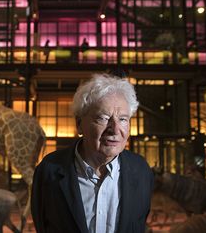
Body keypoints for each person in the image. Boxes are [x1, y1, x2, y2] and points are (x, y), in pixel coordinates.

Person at [31, 73, 153, 233]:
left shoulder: (141, 170)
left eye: (123, 119)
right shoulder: (50, 170)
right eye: (103, 118)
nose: (115, 130)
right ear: (79, 124)